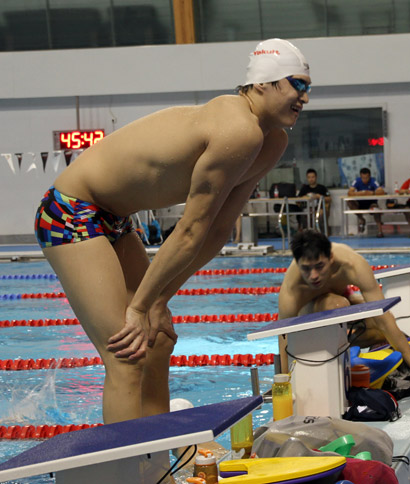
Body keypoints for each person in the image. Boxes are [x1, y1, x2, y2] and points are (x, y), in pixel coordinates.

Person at [33, 38, 311, 424]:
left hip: (114, 217)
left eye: (308, 87)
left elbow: (217, 230)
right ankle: (127, 473)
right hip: (71, 210)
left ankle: (155, 465)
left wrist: (158, 300)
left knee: (158, 340)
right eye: (297, 85)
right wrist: (140, 307)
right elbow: (190, 228)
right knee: (126, 354)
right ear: (263, 83)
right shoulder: (237, 128)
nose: (305, 97)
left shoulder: (270, 141)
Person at [278, 229, 410, 395]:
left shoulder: (353, 265)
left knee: (378, 326)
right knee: (336, 304)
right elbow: (284, 338)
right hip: (312, 315)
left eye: (319, 266)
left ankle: (347, 353)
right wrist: (286, 386)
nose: (313, 275)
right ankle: (334, 355)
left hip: (343, 304)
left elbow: (384, 319)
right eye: (306, 269)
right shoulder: (293, 288)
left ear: (330, 258)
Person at [347, 167, 385, 237]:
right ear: (360, 176)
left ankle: (380, 231)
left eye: (366, 178)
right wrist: (360, 193)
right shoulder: (357, 181)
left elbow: (381, 191)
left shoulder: (373, 181)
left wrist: (372, 193)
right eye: (363, 178)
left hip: (371, 203)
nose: (365, 180)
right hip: (360, 203)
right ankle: (361, 219)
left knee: (376, 209)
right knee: (349, 202)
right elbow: (349, 192)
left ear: (369, 176)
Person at [297, 168, 331, 234]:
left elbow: (329, 199)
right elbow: (298, 199)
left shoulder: (322, 188)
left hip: (319, 208)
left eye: (313, 177)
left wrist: (319, 196)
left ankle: (322, 234)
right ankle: (306, 234)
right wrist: (304, 197)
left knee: (320, 215)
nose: (311, 179)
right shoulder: (304, 188)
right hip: (307, 209)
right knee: (302, 215)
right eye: (309, 177)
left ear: (316, 177)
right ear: (307, 178)